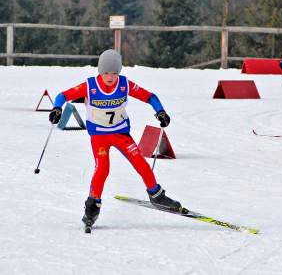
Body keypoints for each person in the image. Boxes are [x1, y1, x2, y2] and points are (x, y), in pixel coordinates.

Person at [49, 49, 183, 229]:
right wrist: (57, 108)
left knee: (140, 162)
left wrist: (160, 111)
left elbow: (150, 96)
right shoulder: (89, 86)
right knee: (102, 169)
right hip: (99, 136)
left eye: (114, 73)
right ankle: (92, 206)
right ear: (99, 71)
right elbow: (63, 96)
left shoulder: (124, 85)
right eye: (106, 72)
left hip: (120, 133)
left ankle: (156, 195)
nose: (110, 77)